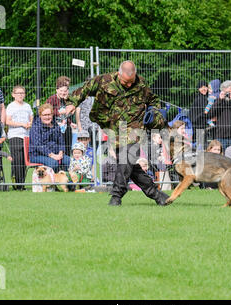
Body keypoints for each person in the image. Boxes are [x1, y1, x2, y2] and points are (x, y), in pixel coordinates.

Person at [65, 60, 169, 206]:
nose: (128, 85)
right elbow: (85, 89)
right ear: (119, 74)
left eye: (131, 82)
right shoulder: (104, 81)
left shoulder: (141, 84)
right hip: (111, 125)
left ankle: (116, 195)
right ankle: (157, 195)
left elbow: (153, 100)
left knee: (127, 156)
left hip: (134, 126)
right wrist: (72, 103)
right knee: (129, 163)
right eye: (125, 82)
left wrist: (154, 112)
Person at [6, 85, 33, 190]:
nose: (21, 95)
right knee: (17, 160)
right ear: (13, 95)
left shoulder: (27, 106)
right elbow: (8, 121)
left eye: (22, 93)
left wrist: (30, 123)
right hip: (15, 135)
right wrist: (22, 124)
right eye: (18, 93)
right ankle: (17, 184)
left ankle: (21, 183)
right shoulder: (11, 106)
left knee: (24, 161)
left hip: (26, 136)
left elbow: (31, 118)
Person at [29, 103, 71, 172]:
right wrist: (53, 155)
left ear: (52, 114)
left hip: (56, 153)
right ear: (40, 116)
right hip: (37, 155)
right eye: (44, 115)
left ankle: (67, 181)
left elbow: (61, 141)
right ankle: (50, 182)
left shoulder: (55, 124)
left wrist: (61, 152)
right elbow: (39, 146)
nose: (47, 117)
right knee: (53, 163)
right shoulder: (35, 127)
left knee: (70, 161)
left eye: (49, 114)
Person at [207, 80, 231, 151]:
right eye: (226, 92)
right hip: (221, 136)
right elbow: (210, 114)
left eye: (229, 92)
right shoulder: (219, 103)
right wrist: (219, 100)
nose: (227, 94)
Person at [46, 77, 74, 156]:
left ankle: (66, 167)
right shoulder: (52, 99)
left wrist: (70, 122)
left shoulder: (67, 99)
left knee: (67, 150)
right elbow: (46, 111)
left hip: (66, 128)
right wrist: (59, 112)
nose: (63, 93)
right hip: (55, 128)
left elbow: (70, 112)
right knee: (57, 150)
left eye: (65, 91)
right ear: (57, 90)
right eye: (61, 91)